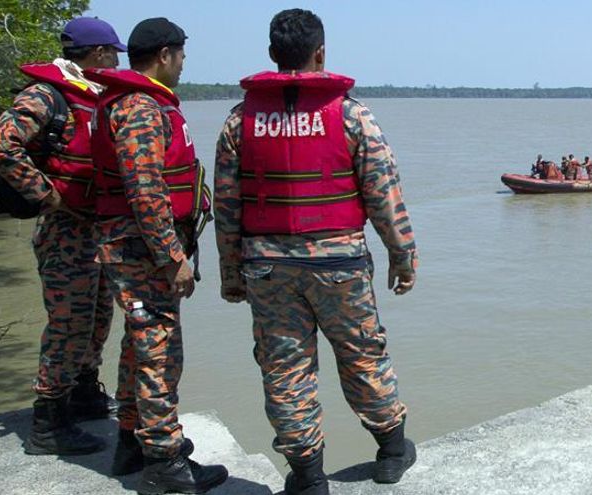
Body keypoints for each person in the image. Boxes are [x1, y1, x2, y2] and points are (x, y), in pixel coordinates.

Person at [214, 9, 418, 495]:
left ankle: (307, 480)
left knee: (285, 369)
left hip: (266, 267)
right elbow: (384, 193)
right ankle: (391, 452)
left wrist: (231, 274)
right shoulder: (351, 114)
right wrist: (402, 254)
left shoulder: (240, 120)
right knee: (362, 354)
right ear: (321, 54)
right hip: (340, 263)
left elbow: (225, 205)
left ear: (272, 56)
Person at [85, 18, 226, 494]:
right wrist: (172, 257)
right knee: (160, 352)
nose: (184, 64)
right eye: (182, 54)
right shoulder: (142, 107)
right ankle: (165, 463)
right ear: (165, 55)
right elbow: (145, 188)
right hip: (141, 250)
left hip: (133, 246)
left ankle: (131, 439)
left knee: (138, 344)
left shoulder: (129, 102)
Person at [0, 16, 125, 457]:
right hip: (65, 231)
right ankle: (48, 421)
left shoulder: (89, 93)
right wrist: (48, 196)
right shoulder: (46, 94)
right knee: (69, 325)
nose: (116, 61)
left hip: (93, 229)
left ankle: (82, 394)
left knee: (97, 319)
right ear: (98, 53)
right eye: (113, 53)